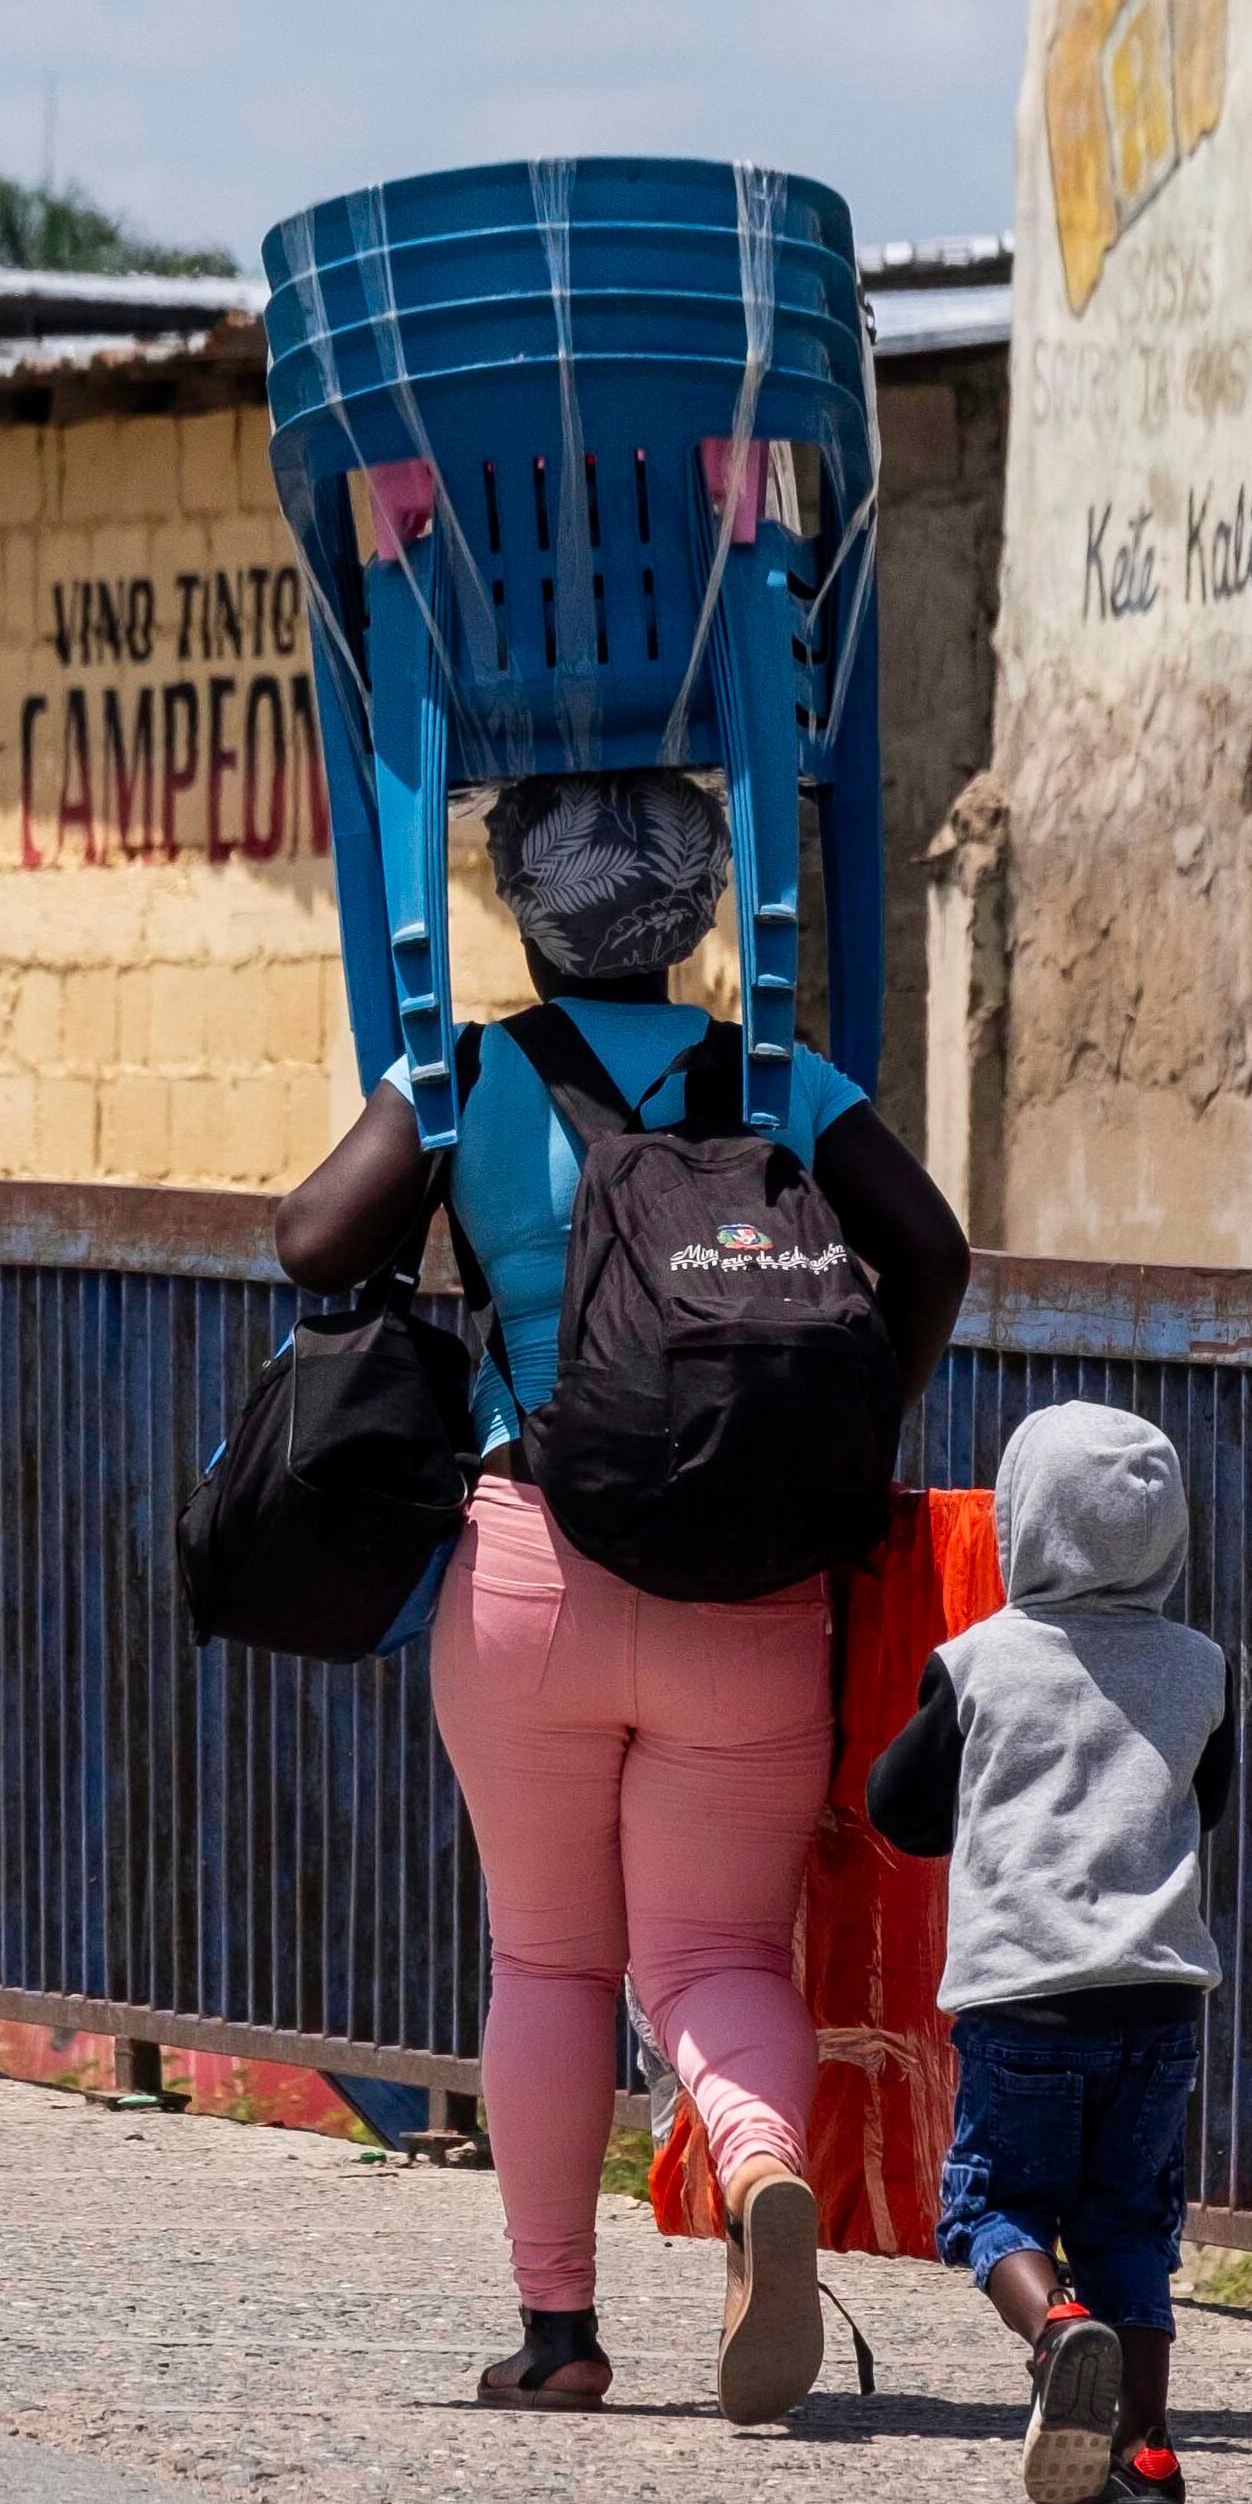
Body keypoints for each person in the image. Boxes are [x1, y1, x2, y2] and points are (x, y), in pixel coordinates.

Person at [271, 766, 969, 2419]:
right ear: (700, 907)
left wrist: (427, 1109)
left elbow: (311, 1239)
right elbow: (932, 1251)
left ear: (524, 909)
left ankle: (558, 2330)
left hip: (529, 1567)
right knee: (717, 1949)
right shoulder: (780, 1077)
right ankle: (759, 2159)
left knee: (550, 1961)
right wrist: (851, 1442)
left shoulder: (467, 1073)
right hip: (751, 1581)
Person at [867, 1401, 1225, 2504]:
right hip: (1158, 2000)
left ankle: (1056, 2330)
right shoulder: (1201, 1667)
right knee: (1129, 2228)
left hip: (1023, 2000)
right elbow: (1205, 1805)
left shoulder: (979, 1661)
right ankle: (1147, 2462)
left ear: (1021, 1522)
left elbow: (898, 1807)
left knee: (992, 2207)